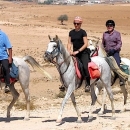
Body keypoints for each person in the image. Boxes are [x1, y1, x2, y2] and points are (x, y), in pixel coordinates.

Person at [67, 16, 91, 92]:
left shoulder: (83, 32)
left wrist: (78, 51)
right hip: (74, 53)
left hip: (83, 52)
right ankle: (65, 83)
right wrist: (69, 50)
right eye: (75, 23)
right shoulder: (71, 32)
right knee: (67, 66)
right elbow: (69, 43)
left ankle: (88, 84)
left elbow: (85, 44)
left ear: (80, 24)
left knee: (85, 66)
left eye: (77, 24)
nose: (76, 25)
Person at [102, 20, 123, 85]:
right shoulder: (104, 34)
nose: (109, 27)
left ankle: (121, 78)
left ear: (113, 26)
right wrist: (103, 49)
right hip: (107, 52)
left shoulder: (117, 34)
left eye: (111, 25)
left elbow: (119, 43)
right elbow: (103, 43)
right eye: (108, 26)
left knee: (117, 63)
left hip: (115, 52)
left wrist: (114, 49)